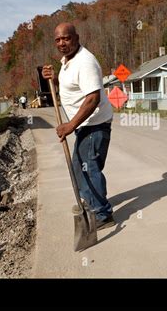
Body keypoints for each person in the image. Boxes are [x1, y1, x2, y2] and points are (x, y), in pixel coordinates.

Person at [41, 23, 115, 230]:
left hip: (94, 124)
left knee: (89, 168)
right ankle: (92, 203)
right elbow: (71, 89)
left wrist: (70, 125)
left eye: (66, 38)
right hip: (85, 125)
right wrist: (53, 80)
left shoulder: (85, 62)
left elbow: (93, 98)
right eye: (58, 40)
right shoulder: (67, 61)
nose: (62, 43)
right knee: (80, 166)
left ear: (76, 37)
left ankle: (102, 214)